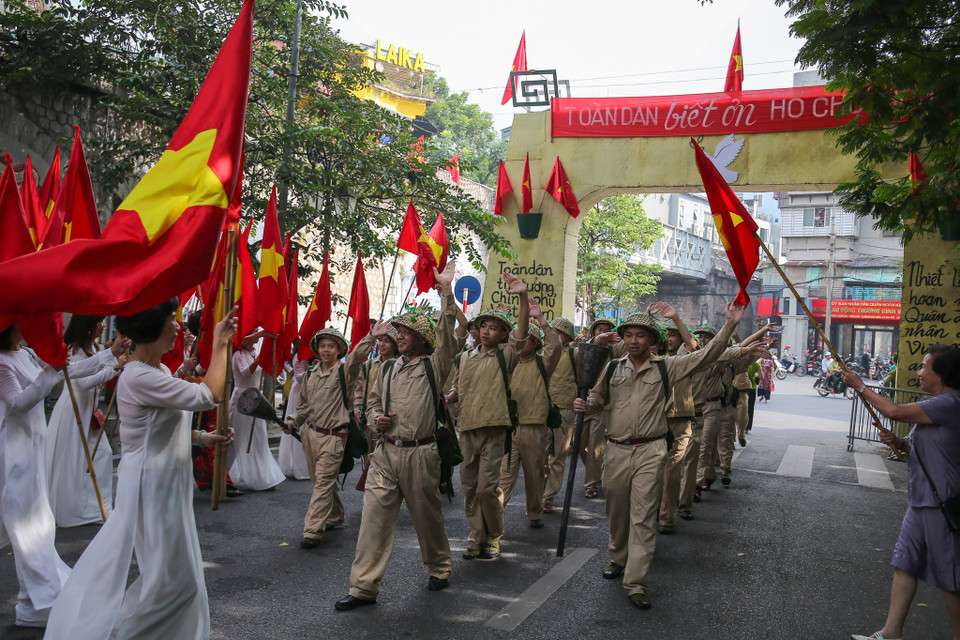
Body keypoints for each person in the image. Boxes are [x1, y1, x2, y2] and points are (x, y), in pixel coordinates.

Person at [44, 300, 237, 639]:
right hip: (151, 488)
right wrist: (220, 344)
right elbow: (210, 394)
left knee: (171, 580)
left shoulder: (159, 373)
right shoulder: (138, 376)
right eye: (170, 320)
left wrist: (205, 438)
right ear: (151, 329)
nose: (178, 326)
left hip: (169, 485)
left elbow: (166, 427)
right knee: (176, 585)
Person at [573, 302, 769, 610]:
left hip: (651, 449)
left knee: (643, 515)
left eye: (641, 335)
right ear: (623, 338)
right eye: (629, 335)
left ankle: (636, 581)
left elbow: (706, 355)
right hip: (616, 449)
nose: (634, 340)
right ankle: (617, 557)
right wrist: (588, 404)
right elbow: (598, 397)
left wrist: (730, 325)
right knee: (616, 510)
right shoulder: (612, 368)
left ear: (652, 340)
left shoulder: (668, 366)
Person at [334, 262, 458, 611]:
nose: (399, 335)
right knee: (373, 521)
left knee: (427, 517)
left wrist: (446, 293)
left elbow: (449, 337)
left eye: (406, 331)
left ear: (422, 339)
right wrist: (376, 421)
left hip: (422, 454)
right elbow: (371, 404)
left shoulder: (435, 365)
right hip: (386, 454)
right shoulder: (386, 367)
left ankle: (439, 566)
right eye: (398, 331)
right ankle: (363, 588)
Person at [842, 345, 960, 640]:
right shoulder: (937, 403)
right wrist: (899, 442)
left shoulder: (951, 402)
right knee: (905, 563)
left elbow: (895, 410)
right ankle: (891, 632)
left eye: (924, 367)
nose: (919, 372)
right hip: (921, 502)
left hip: (940, 504)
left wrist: (860, 386)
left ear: (942, 375)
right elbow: (923, 447)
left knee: (950, 578)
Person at [0, 322, 111, 627]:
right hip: (14, 453)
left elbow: (70, 371)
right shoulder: (1, 362)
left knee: (42, 523)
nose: (26, 327)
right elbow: (19, 402)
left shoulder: (26, 353)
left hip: (34, 444)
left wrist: (109, 354)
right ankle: (37, 600)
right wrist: (50, 372)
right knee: (25, 525)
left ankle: (35, 599)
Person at [444, 272, 530, 561]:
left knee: (487, 488)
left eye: (494, 328)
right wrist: (448, 398)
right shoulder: (464, 358)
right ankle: (475, 536)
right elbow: (458, 387)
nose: (487, 332)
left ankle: (493, 536)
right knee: (469, 488)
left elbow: (522, 333)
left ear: (503, 335)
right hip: (466, 428)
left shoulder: (506, 355)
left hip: (494, 429)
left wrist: (522, 296)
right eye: (483, 327)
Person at [284, 323, 386, 549]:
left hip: (334, 437)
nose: (326, 350)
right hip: (310, 436)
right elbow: (303, 408)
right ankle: (336, 514)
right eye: (323, 346)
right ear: (317, 349)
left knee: (321, 484)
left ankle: (312, 530)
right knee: (322, 482)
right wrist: (292, 421)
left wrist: (371, 336)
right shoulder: (310, 373)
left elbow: (357, 357)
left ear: (339, 350)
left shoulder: (344, 371)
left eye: (332, 346)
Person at [45, 316, 128, 528]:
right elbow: (83, 383)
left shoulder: (94, 347)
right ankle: (73, 509)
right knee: (73, 463)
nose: (102, 325)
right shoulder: (74, 350)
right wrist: (114, 368)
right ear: (88, 326)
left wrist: (113, 365)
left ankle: (96, 507)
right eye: (99, 322)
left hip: (88, 413)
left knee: (102, 454)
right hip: (73, 413)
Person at [498, 303, 561, 529]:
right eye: (520, 339)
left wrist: (542, 321)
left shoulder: (544, 363)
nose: (522, 343)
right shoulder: (507, 362)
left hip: (535, 428)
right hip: (509, 428)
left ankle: (534, 512)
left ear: (535, 344)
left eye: (528, 339)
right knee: (503, 478)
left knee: (535, 477)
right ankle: (492, 521)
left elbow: (555, 345)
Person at [227, 330, 285, 491]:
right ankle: (225, 475)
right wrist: (261, 357)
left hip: (256, 399)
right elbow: (247, 372)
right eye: (251, 336)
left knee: (259, 437)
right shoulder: (237, 355)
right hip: (242, 399)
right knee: (238, 437)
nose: (254, 339)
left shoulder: (254, 351)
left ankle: (263, 476)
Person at [541, 317, 578, 515]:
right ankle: (539, 493)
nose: (555, 336)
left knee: (558, 456)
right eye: (552, 332)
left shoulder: (575, 354)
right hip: (542, 409)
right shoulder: (542, 352)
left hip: (565, 409)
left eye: (559, 333)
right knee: (539, 455)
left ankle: (548, 497)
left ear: (567, 337)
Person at [279, 348, 310, 480]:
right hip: (300, 394)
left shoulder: (317, 352)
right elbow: (298, 377)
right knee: (299, 428)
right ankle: (300, 467)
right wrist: (312, 370)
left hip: (314, 393)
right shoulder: (300, 354)